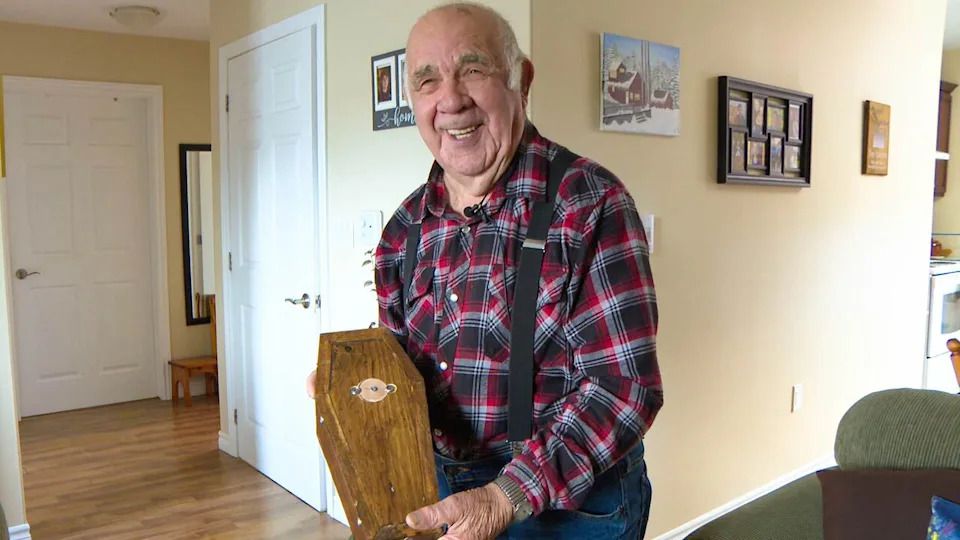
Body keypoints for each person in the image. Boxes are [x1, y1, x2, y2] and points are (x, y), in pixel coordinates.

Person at [308, 3, 662, 538]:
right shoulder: (404, 229)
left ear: (522, 80)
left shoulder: (590, 203)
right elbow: (404, 365)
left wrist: (505, 497)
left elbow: (623, 388)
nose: (451, 100)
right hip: (441, 488)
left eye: (473, 69)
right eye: (427, 80)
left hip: (571, 507)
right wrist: (357, 385)